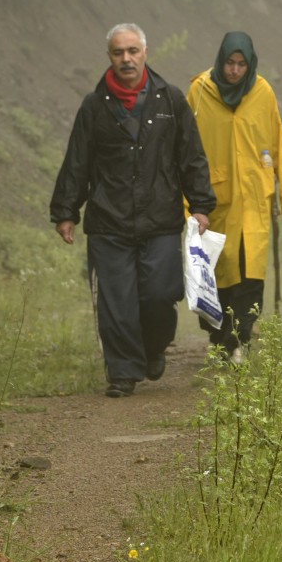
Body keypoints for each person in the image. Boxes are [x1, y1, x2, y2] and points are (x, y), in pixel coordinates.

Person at [50, 23, 217, 398]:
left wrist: (202, 205)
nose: (126, 59)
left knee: (160, 293)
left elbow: (191, 155)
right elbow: (77, 160)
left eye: (132, 51)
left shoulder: (171, 101)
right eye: (118, 52)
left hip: (160, 218)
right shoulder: (94, 107)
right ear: (109, 56)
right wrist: (66, 211)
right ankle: (123, 371)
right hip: (109, 220)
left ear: (145, 53)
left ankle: (154, 346)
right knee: (116, 300)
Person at [187, 31, 282, 362]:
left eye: (242, 64)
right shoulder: (200, 91)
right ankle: (220, 337)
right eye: (230, 63)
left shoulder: (262, 91)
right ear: (220, 60)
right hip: (214, 204)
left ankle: (241, 336)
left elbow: (279, 144)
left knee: (251, 274)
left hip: (255, 201)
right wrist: (185, 203)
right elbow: (184, 150)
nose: (235, 71)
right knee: (217, 274)